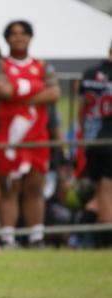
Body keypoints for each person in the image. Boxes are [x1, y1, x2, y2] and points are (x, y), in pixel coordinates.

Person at [0, 20, 60, 247]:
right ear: (7, 39)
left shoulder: (43, 66)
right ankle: (8, 238)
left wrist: (18, 92)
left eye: (24, 33)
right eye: (14, 34)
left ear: (30, 37)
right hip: (9, 139)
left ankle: (36, 237)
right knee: (9, 189)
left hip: (38, 138)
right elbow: (2, 90)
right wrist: (37, 88)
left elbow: (55, 93)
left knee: (35, 188)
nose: (19, 38)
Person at [76, 41, 112, 245]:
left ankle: (84, 238)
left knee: (99, 191)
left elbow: (82, 110)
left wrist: (83, 138)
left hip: (92, 139)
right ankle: (105, 242)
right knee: (107, 190)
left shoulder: (90, 74)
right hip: (108, 137)